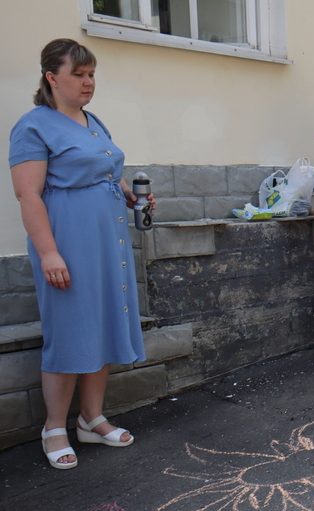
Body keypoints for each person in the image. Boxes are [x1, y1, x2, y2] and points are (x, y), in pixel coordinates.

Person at [9, 38, 152, 470]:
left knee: (105, 325)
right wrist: (49, 253)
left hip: (109, 243)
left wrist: (129, 195)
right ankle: (54, 426)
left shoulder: (94, 122)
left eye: (92, 75)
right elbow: (28, 196)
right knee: (70, 331)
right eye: (79, 74)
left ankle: (92, 420)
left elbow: (105, 174)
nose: (89, 83)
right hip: (68, 245)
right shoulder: (33, 126)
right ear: (52, 78)